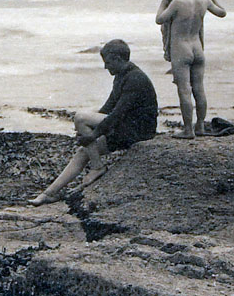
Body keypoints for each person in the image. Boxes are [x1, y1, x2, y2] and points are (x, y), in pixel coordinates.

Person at [29, 40, 157, 206]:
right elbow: (108, 108)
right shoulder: (121, 76)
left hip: (138, 131)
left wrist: (93, 135)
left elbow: (116, 115)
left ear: (118, 58)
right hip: (125, 129)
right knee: (83, 152)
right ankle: (48, 193)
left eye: (108, 63)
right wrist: (88, 132)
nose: (105, 67)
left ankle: (97, 167)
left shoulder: (135, 78)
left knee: (81, 117)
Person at [155, 0, 227, 139]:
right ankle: (200, 125)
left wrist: (164, 0)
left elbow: (159, 19)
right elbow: (222, 12)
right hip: (198, 48)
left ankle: (188, 129)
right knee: (199, 89)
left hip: (181, 49)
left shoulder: (178, 3)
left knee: (184, 90)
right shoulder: (204, 1)